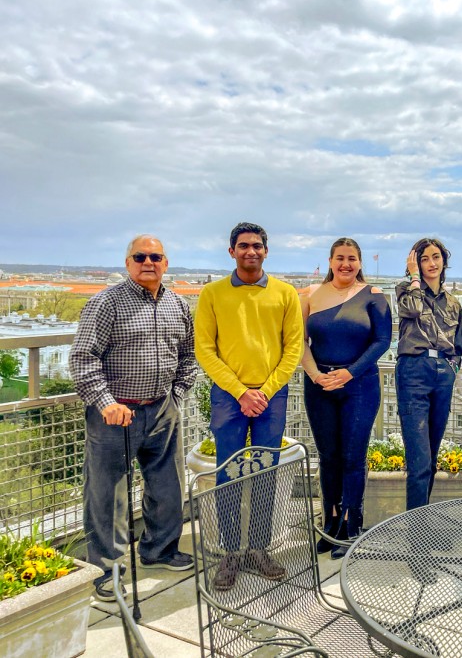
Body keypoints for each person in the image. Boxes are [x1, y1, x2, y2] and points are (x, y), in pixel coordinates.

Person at [70, 235, 197, 601]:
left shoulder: (178, 305)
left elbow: (188, 356)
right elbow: (83, 358)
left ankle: (160, 550)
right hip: (115, 414)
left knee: (168, 486)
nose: (148, 262)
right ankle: (107, 570)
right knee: (108, 496)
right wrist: (106, 402)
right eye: (139, 256)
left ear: (166, 262)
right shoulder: (106, 303)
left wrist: (176, 395)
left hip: (162, 408)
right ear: (128, 263)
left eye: (155, 256)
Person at [194, 222, 304, 591]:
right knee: (227, 473)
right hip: (229, 396)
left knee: (264, 471)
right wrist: (241, 391)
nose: (250, 252)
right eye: (243, 246)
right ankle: (229, 553)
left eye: (257, 246)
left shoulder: (285, 293)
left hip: (272, 395)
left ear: (266, 251)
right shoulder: (212, 294)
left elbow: (293, 349)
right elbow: (205, 350)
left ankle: (258, 548)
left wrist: (266, 390)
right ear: (231, 251)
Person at [300, 237, 392, 558]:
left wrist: (349, 372)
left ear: (360, 262)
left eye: (352, 259)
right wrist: (315, 375)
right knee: (329, 457)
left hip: (360, 385)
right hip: (319, 385)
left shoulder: (375, 297)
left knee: (353, 457)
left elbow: (382, 341)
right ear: (330, 261)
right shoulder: (312, 295)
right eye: (340, 258)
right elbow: (299, 341)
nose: (346, 264)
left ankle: (352, 528)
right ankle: (331, 523)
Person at [395, 238, 462, 511]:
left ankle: (422, 522)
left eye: (436, 257)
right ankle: (415, 533)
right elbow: (411, 310)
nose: (431, 263)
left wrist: (452, 367)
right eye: (424, 259)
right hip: (414, 371)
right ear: (415, 263)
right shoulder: (405, 290)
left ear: (444, 261)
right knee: (419, 461)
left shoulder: (453, 303)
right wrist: (413, 278)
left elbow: (458, 344)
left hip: (442, 375)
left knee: (432, 459)